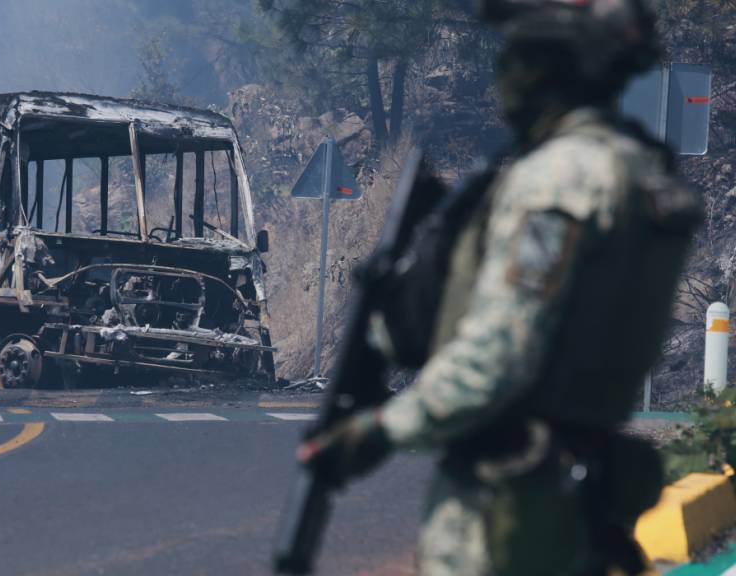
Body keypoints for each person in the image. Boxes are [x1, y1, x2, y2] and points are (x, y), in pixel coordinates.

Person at [299, 1, 703, 574]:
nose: (507, 72)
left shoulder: (558, 180)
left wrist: (379, 429)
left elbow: (501, 354)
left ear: (557, 65)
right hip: (584, 494)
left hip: (507, 509)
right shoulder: (644, 173)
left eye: (524, 54)